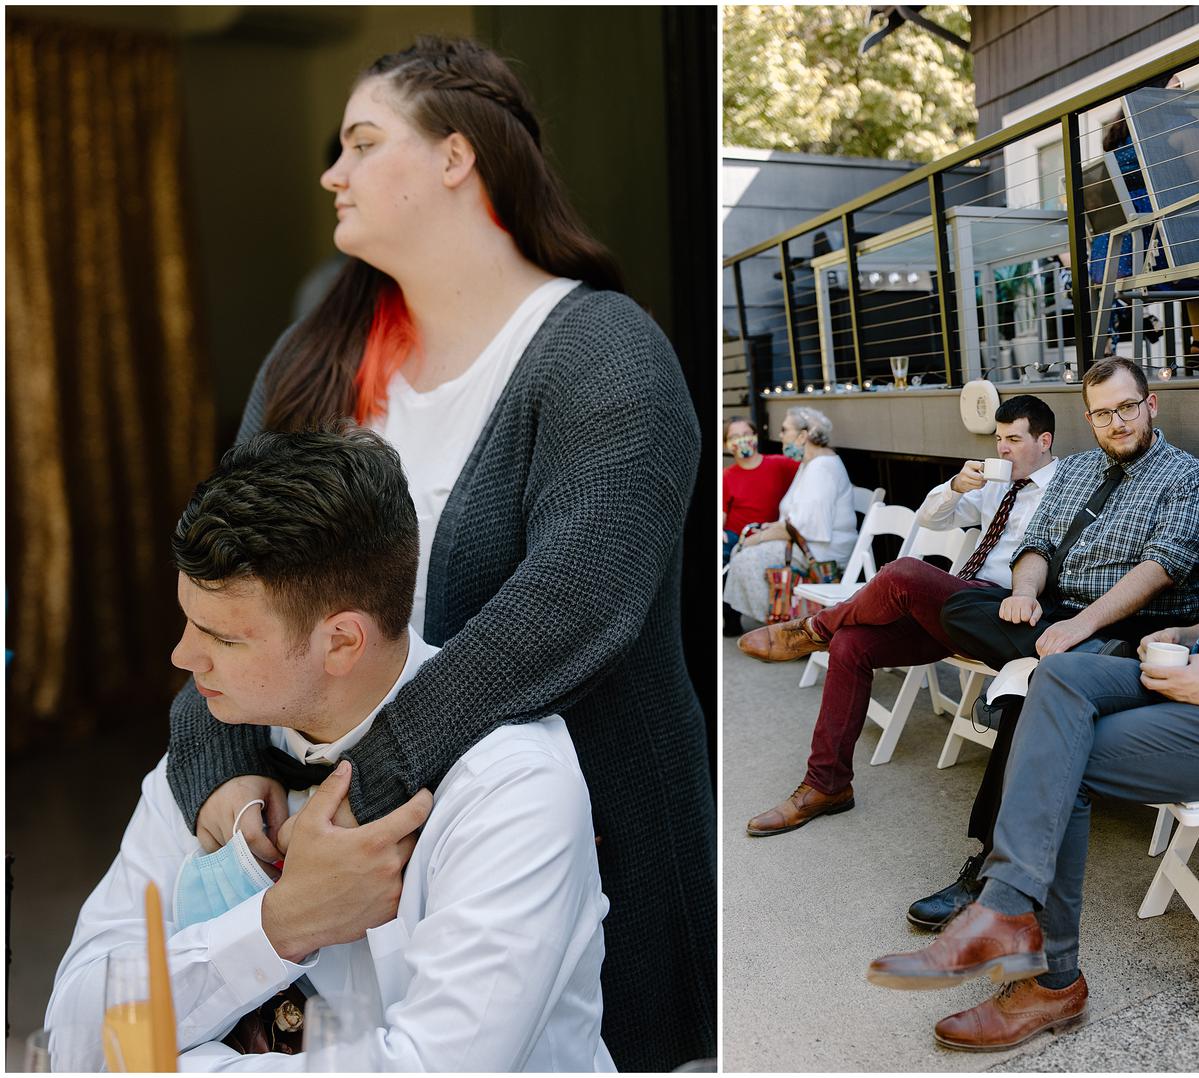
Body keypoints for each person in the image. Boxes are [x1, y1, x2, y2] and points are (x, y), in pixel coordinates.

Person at [161, 37, 712, 1072]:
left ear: (458, 157)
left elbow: (576, 606)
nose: (334, 173)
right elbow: (229, 584)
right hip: (337, 899)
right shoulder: (311, 366)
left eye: (364, 143)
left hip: (583, 872)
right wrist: (224, 784)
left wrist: (353, 794)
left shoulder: (605, 352)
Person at [866, 344, 1199, 1052]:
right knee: (1055, 676)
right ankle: (1008, 910)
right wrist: (1185, 632)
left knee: (1064, 759)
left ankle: (1049, 978)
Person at [47, 427, 613, 1071]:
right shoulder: (213, 771)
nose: (181, 657)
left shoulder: (510, 789)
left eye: (224, 639)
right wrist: (279, 926)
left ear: (342, 642)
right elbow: (75, 1037)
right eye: (188, 621)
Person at [907, 357, 1199, 929]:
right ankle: (1049, 658)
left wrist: (1083, 627)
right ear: (1089, 419)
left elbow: (1160, 569)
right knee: (961, 606)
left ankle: (988, 873)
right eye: (1102, 414)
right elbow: (1038, 545)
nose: (1116, 422)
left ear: (1150, 405)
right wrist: (1024, 593)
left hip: (1135, 632)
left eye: (1127, 407)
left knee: (1034, 693)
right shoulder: (1074, 471)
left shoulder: (1187, 478)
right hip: (1055, 616)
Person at [736, 395, 1059, 836]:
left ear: (1044, 441)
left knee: (905, 572)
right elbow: (930, 520)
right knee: (850, 644)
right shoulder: (996, 484)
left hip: (1004, 611)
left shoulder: (1065, 487)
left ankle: (813, 628)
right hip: (960, 605)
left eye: (1014, 440)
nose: (1002, 448)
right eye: (999, 439)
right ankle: (827, 785)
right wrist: (955, 487)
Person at [1087, 74, 1199, 369]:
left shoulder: (1120, 138)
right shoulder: (1179, 128)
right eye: (1176, 86)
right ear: (1157, 95)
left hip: (1118, 255)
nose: (1183, 91)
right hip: (1158, 248)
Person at [722, 405, 856, 629]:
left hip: (821, 552)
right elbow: (794, 517)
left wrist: (758, 538)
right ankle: (778, 621)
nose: (780, 435)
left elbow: (803, 527)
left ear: (802, 436)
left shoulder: (821, 468)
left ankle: (782, 627)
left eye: (785, 430)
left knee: (746, 560)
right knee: (741, 552)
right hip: (805, 543)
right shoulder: (809, 464)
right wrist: (765, 531)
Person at [722, 415, 798, 566]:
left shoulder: (780, 465)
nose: (742, 440)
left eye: (746, 434)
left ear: (755, 436)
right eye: (734, 437)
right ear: (726, 445)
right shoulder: (726, 476)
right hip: (736, 535)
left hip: (770, 534)